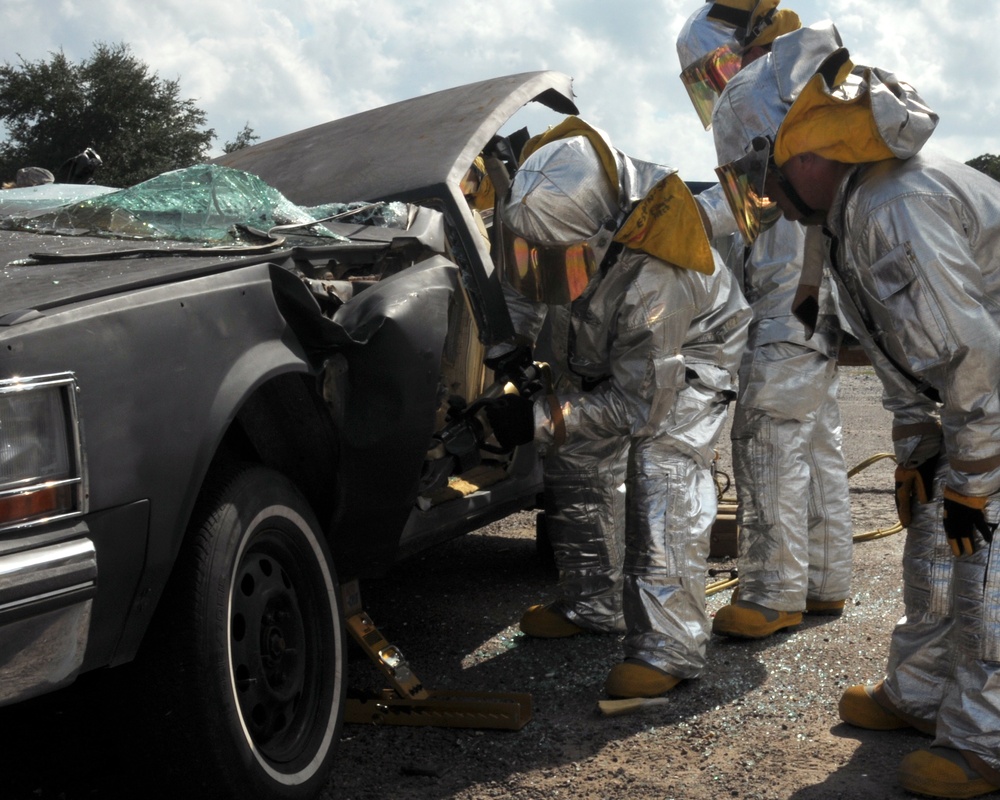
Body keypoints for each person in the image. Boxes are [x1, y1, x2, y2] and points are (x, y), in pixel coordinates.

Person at [711, 21, 1000, 798]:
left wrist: (974, 478)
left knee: (989, 565)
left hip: (995, 402)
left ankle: (988, 745)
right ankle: (923, 694)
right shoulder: (849, 211)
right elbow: (908, 354)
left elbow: (975, 360)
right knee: (936, 542)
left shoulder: (893, 208)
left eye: (760, 170)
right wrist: (918, 449)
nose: (761, 190)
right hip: (981, 403)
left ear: (804, 151)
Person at [481, 117, 750, 698]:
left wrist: (537, 419)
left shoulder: (656, 276)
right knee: (573, 459)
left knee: (663, 471)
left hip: (691, 354)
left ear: (602, 236)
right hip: (605, 349)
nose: (548, 266)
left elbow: (639, 406)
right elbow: (522, 285)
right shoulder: (554, 218)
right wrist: (509, 353)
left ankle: (669, 648)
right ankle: (593, 606)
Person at [675, 1, 854, 638]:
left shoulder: (762, 102)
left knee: (768, 437)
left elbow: (748, 205)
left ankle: (773, 592)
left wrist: (668, 220)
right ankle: (825, 582)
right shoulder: (808, 87)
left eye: (711, 69)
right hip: (825, 300)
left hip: (790, 301)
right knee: (816, 440)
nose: (714, 86)